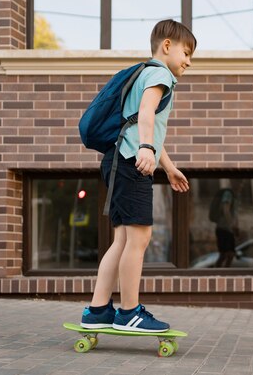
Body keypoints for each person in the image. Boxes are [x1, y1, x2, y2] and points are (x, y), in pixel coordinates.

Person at [80, 19, 196, 332]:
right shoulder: (160, 74)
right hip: (132, 163)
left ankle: (97, 311)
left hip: (118, 160)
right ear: (167, 46)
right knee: (140, 238)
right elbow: (146, 115)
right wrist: (146, 149)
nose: (188, 61)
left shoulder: (143, 72)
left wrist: (167, 166)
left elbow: (146, 125)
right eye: (187, 53)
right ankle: (129, 311)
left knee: (121, 240)